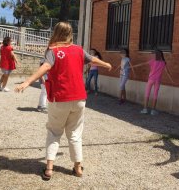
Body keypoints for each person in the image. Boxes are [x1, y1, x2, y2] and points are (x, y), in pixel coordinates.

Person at [15, 22, 112, 181]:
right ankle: (77, 167)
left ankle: (49, 169)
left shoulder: (53, 51)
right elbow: (92, 59)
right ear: (70, 33)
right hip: (79, 98)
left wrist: (27, 82)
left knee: (54, 131)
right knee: (75, 134)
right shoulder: (78, 50)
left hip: (59, 98)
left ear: (56, 33)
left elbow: (46, 66)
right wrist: (106, 64)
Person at [131, 49, 174, 115]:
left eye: (154, 54)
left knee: (147, 94)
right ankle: (153, 111)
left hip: (150, 79)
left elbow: (142, 64)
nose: (153, 55)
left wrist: (131, 66)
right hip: (157, 80)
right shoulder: (163, 63)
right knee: (155, 95)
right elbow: (167, 72)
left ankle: (145, 109)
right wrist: (172, 80)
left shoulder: (152, 61)